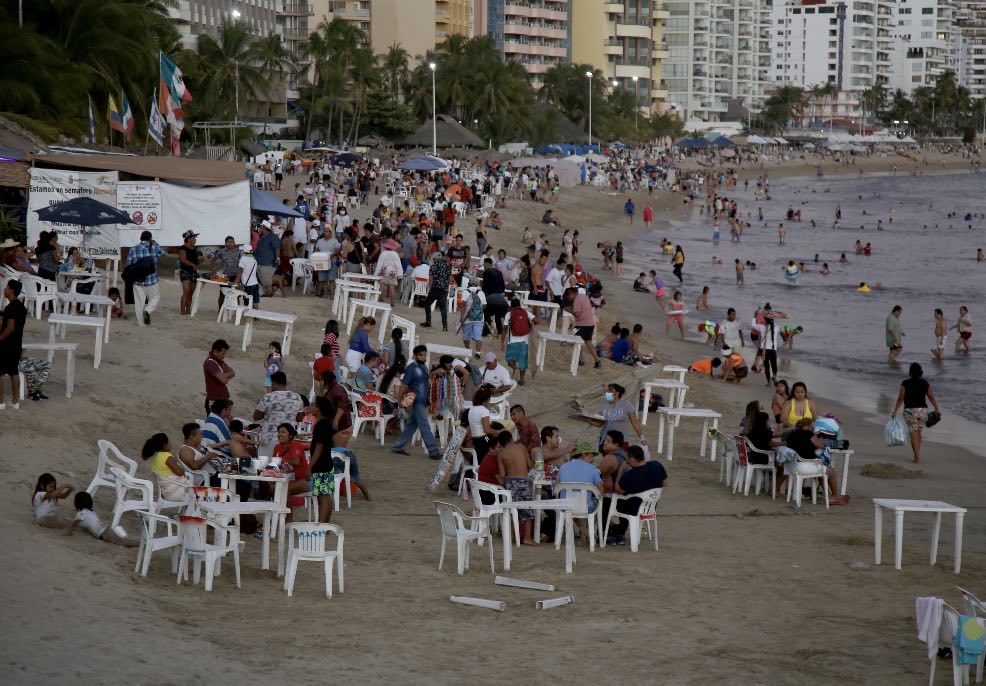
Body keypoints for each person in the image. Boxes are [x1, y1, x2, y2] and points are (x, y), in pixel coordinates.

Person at [605, 445, 667, 546]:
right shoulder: (657, 465)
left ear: (632, 459)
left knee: (607, 501)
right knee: (627, 500)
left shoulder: (630, 475)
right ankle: (620, 534)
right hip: (650, 506)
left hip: (634, 508)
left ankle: (607, 534)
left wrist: (620, 471)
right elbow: (665, 483)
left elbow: (617, 490)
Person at [391, 345, 441, 459]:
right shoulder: (411, 368)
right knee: (424, 426)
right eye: (421, 355)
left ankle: (398, 446)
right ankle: (433, 451)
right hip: (416, 401)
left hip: (422, 401)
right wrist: (399, 400)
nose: (423, 357)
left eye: (425, 354)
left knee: (411, 426)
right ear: (415, 355)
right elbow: (404, 384)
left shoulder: (424, 368)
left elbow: (424, 383)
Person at [785, 418, 847, 504]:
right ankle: (833, 497)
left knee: (822, 472)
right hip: (804, 466)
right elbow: (821, 445)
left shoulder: (791, 434)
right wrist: (814, 435)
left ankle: (828, 495)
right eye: (811, 425)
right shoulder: (808, 434)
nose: (813, 427)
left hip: (791, 466)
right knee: (831, 472)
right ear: (808, 425)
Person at [891, 362, 941, 464]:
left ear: (911, 372)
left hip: (910, 411)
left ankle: (916, 457)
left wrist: (895, 411)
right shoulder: (925, 383)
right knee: (919, 433)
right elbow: (931, 397)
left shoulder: (905, 383)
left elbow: (901, 398)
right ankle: (917, 454)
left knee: (913, 434)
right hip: (922, 411)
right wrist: (936, 408)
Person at [253, 371, 305, 457]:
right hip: (287, 440)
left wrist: (269, 412)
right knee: (284, 468)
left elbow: (256, 417)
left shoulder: (269, 397)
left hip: (268, 439)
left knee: (265, 467)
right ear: (285, 383)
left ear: (273, 383)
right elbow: (299, 418)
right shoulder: (297, 397)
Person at [496, 431, 534, 545]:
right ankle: (527, 537)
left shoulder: (501, 455)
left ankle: (512, 536)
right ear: (511, 439)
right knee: (527, 509)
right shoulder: (521, 447)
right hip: (523, 481)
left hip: (510, 483)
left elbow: (502, 475)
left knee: (513, 510)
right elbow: (529, 465)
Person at [124, 230, 167, 325]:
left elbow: (128, 264)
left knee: (139, 302)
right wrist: (156, 244)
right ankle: (148, 310)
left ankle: (141, 324)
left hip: (137, 281)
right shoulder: (154, 247)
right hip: (152, 280)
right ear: (150, 239)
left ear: (140, 238)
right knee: (155, 297)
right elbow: (164, 254)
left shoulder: (133, 249)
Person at [308, 396, 338, 523]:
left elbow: (318, 448)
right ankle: (325, 524)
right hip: (326, 463)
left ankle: (321, 524)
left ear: (319, 410)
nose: (312, 407)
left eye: (314, 405)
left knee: (323, 496)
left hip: (321, 464)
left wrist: (309, 467)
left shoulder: (321, 425)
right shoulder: (325, 424)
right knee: (326, 496)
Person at [69, 492, 137, 547]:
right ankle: (138, 543)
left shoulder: (80, 514)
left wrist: (67, 533)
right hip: (104, 529)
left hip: (103, 533)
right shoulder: (90, 511)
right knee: (121, 541)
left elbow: (73, 526)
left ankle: (139, 544)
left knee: (122, 543)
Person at [0, 280, 26, 410]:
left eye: (6, 288)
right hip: (17, 344)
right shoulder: (21, 307)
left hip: (7, 345)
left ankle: (1, 402)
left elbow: (10, 328)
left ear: (11, 290)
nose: (4, 290)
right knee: (13, 372)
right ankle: (15, 401)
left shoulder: (11, 308)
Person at [141, 432, 189, 501]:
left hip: (166, 493)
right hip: (177, 493)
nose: (171, 444)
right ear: (164, 445)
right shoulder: (166, 456)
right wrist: (180, 465)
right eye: (169, 442)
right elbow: (180, 472)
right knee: (203, 495)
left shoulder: (155, 457)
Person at [563, 287, 601, 368]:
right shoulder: (584, 296)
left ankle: (581, 360)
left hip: (583, 324)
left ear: (571, 293)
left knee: (577, 341)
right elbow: (584, 309)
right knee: (588, 343)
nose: (569, 299)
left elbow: (577, 314)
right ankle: (597, 361)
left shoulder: (576, 300)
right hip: (590, 323)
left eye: (568, 297)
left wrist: (569, 310)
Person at [501, 297, 536, 385]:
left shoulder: (509, 314)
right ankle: (522, 379)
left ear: (511, 306)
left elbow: (504, 329)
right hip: (524, 342)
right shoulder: (525, 312)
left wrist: (502, 341)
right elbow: (537, 321)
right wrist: (530, 323)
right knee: (522, 361)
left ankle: (514, 367)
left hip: (512, 341)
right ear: (520, 305)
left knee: (509, 359)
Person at [203, 339, 235, 416]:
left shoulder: (218, 360)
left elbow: (233, 372)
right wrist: (226, 376)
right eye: (223, 353)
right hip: (215, 400)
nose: (224, 356)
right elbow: (223, 380)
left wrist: (225, 375)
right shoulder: (210, 363)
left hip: (221, 399)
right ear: (216, 351)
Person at [422, 251, 452, 331]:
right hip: (444, 290)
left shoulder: (433, 267)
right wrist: (446, 288)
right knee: (443, 308)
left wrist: (430, 289)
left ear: (435, 259)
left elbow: (431, 279)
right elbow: (449, 280)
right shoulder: (448, 267)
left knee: (427, 304)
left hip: (435, 289)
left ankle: (428, 322)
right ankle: (445, 326)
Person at [254, 220, 282, 297]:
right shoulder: (263, 236)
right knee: (264, 280)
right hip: (260, 262)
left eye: (260, 227)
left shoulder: (272, 237)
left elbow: (277, 248)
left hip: (267, 263)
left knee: (267, 281)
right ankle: (270, 291)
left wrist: (278, 259)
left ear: (265, 228)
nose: (259, 229)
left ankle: (268, 294)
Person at [177, 230, 200, 315]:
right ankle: (183, 311)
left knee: (191, 292)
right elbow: (183, 260)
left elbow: (195, 262)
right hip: (185, 272)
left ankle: (188, 310)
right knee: (186, 292)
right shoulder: (182, 248)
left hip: (193, 273)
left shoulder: (194, 249)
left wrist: (202, 259)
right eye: (194, 238)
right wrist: (193, 265)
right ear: (188, 238)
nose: (195, 239)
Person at [459, 286, 487, 356]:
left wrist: (461, 317)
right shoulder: (481, 293)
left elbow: (463, 305)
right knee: (478, 336)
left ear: (469, 284)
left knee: (466, 335)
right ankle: (477, 352)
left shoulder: (465, 292)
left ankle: (468, 350)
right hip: (479, 318)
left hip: (467, 318)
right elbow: (484, 305)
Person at [233, 243, 261, 308]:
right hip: (255, 284)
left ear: (243, 251)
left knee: (247, 303)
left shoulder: (243, 259)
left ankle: (249, 316)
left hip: (248, 285)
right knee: (255, 302)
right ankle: (255, 317)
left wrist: (235, 282)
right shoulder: (254, 259)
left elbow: (240, 272)